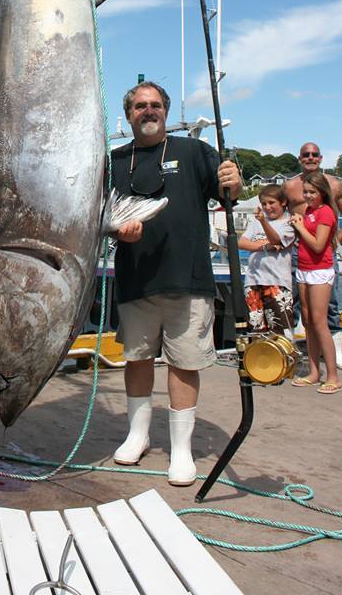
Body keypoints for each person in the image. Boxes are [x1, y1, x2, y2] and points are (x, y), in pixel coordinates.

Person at [111, 81, 242, 485]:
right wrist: (116, 232)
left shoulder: (193, 151)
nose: (147, 111)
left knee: (184, 363)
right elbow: (101, 216)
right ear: (129, 113)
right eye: (139, 106)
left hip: (188, 278)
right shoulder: (114, 159)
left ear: (165, 111)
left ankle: (181, 450)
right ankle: (138, 436)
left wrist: (234, 181)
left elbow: (228, 193)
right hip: (135, 279)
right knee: (137, 359)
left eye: (154, 105)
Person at [283, 143, 342, 370]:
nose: (311, 158)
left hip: (323, 252)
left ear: (321, 158)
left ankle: (334, 352)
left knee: (330, 303)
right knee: (294, 303)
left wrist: (336, 240)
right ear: (300, 158)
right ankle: (293, 353)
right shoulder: (290, 186)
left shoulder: (335, 185)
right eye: (306, 155)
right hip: (297, 251)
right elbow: (276, 211)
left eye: (314, 154)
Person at [290, 171, 341, 393]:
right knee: (309, 321)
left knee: (320, 323)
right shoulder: (310, 211)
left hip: (320, 271)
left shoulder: (326, 212)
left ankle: (333, 376)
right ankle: (314, 371)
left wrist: (300, 227)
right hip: (304, 269)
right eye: (305, 192)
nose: (308, 196)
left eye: (312, 192)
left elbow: (319, 245)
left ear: (322, 192)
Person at [237, 185, 295, 336]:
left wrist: (264, 223)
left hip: (277, 282)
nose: (267, 207)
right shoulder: (255, 222)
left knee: (280, 328)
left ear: (282, 202)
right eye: (264, 204)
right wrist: (264, 247)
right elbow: (242, 243)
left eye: (271, 203)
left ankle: (284, 358)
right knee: (256, 328)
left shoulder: (289, 223)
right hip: (253, 281)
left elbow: (276, 240)